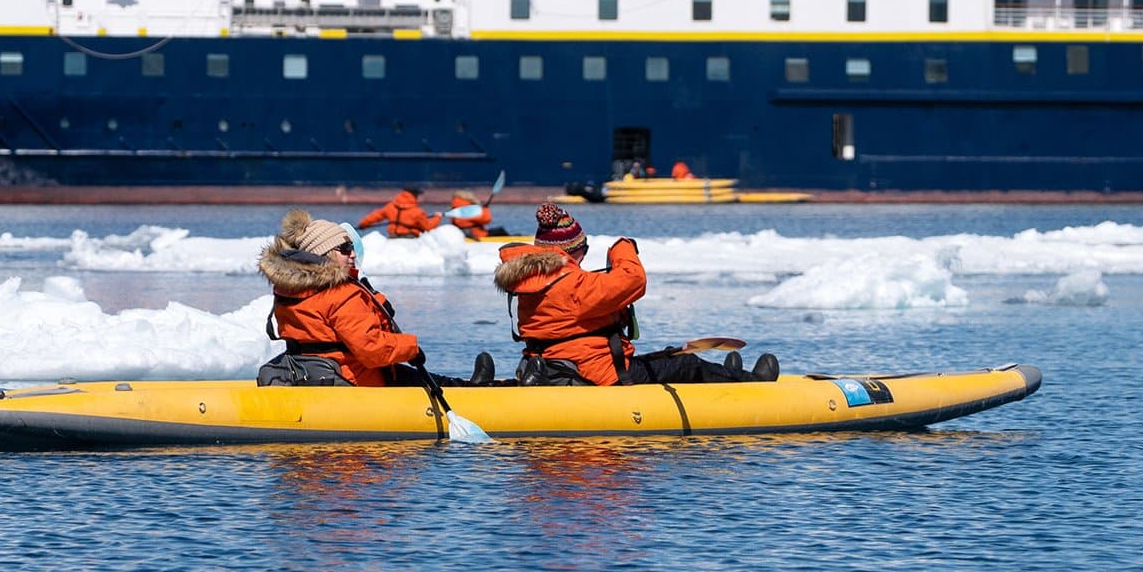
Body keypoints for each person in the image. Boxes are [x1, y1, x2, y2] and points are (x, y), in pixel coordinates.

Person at [495, 203, 775, 385]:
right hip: (596, 371)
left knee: (663, 360)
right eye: (584, 249)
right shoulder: (575, 286)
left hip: (557, 365)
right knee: (687, 364)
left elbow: (572, 304)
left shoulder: (531, 282)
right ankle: (754, 384)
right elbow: (633, 281)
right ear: (572, 252)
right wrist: (622, 247)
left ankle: (733, 374)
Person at [259, 210, 429, 387]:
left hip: (312, 374)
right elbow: (372, 349)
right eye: (345, 249)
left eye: (352, 247)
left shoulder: (288, 291)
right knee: (447, 384)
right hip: (354, 379)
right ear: (325, 253)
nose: (353, 254)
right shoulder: (342, 294)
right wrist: (412, 348)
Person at [356, 187, 439, 239]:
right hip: (410, 238)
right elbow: (428, 227)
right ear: (415, 196)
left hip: (392, 237)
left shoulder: (391, 207)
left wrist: (362, 224)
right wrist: (437, 217)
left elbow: (375, 216)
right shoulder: (418, 212)